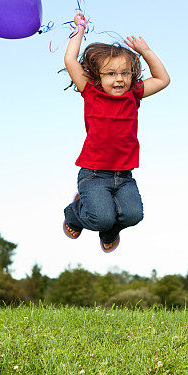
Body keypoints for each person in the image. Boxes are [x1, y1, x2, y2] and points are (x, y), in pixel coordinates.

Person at [62, 13, 170, 252]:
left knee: (133, 215)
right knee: (100, 217)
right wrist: (80, 28)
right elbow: (70, 59)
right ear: (97, 76)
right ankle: (75, 212)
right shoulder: (90, 91)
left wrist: (146, 51)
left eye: (125, 73)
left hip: (124, 176)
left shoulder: (134, 94)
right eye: (111, 74)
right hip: (94, 174)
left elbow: (163, 80)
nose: (119, 79)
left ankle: (110, 230)